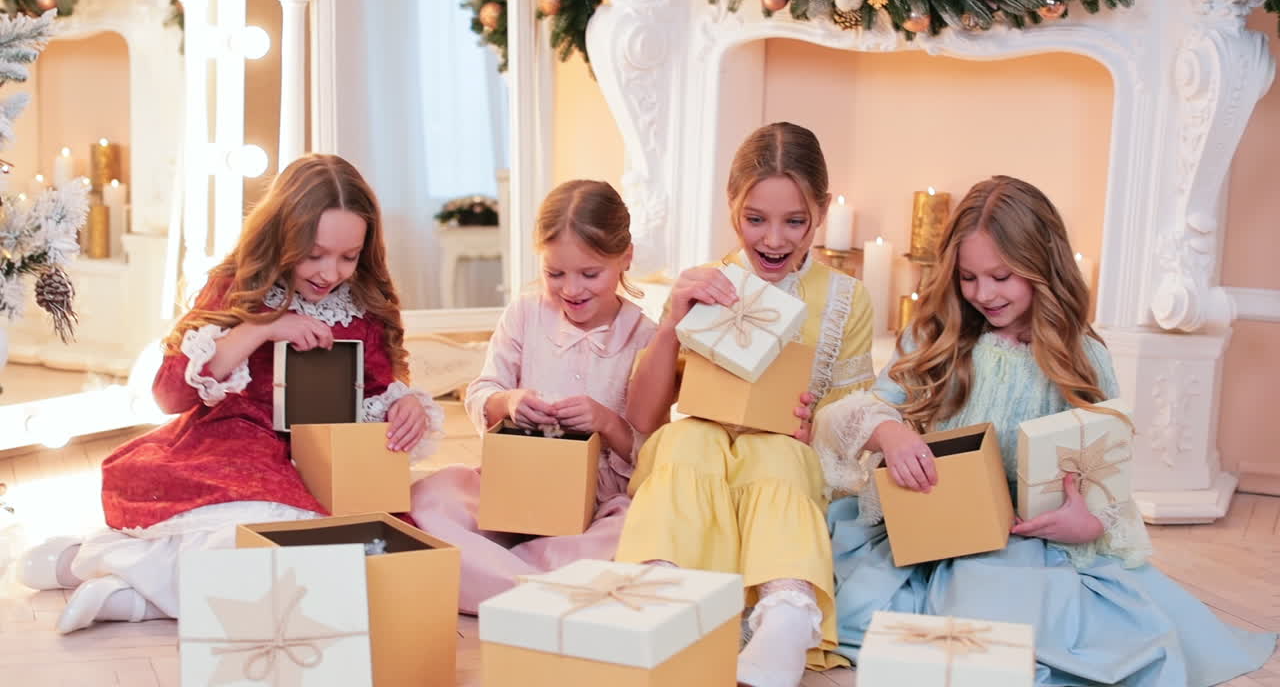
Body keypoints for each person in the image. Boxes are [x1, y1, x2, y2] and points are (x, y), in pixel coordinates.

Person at [820, 175, 1276, 686]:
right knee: (851, 603)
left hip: (1020, 540)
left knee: (1005, 621)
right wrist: (891, 434)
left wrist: (1087, 522)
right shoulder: (933, 337)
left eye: (1002, 276)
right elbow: (851, 412)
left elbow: (1106, 477)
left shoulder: (1081, 356)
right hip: (929, 523)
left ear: (1043, 267)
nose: (983, 294)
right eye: (968, 278)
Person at [18, 154, 442, 634]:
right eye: (315, 254)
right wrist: (258, 330)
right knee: (245, 539)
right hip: (232, 449)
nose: (331, 272)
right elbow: (169, 394)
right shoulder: (236, 287)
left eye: (349, 257)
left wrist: (406, 404)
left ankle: (128, 591)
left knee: (352, 561)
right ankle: (99, 568)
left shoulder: (362, 304)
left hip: (326, 463)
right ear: (283, 235)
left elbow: (379, 385)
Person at [616, 122, 877, 687]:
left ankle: (786, 611)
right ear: (731, 205)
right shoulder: (707, 283)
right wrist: (670, 324)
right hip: (703, 444)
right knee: (686, 440)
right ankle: (661, 592)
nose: (775, 240)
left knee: (776, 455)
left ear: (822, 212)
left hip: (787, 451)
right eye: (755, 219)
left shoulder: (847, 299)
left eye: (795, 221)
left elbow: (851, 415)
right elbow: (643, 418)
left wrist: (813, 422)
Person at [407, 179, 657, 613]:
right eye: (554, 273)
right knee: (431, 498)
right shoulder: (523, 314)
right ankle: (552, 591)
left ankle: (506, 581)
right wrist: (511, 401)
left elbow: (652, 451)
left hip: (595, 507)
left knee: (640, 530)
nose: (571, 290)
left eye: (589, 274)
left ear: (625, 257)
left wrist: (606, 422)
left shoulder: (645, 337)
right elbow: (483, 391)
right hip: (512, 485)